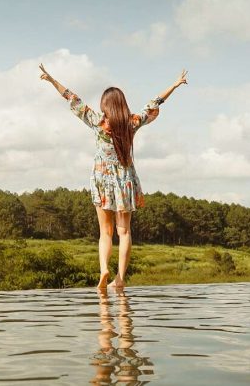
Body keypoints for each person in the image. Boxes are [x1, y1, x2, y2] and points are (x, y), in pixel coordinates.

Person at [39, 64, 188, 289]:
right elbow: (154, 103)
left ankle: (104, 269)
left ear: (105, 105)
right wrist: (174, 86)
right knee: (125, 231)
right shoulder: (132, 122)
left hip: (102, 180)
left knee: (105, 232)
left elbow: (72, 98)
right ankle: (120, 277)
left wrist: (52, 80)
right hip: (125, 181)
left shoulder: (98, 122)